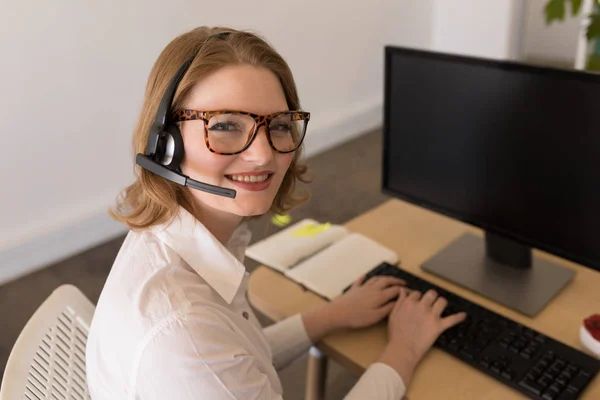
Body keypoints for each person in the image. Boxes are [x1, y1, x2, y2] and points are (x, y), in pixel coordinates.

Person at [85, 26, 467, 399]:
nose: (264, 154)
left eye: (280, 125)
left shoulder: (179, 240)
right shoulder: (182, 336)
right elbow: (209, 357)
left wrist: (331, 316)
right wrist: (405, 349)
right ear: (163, 145)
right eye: (226, 125)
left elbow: (237, 357)